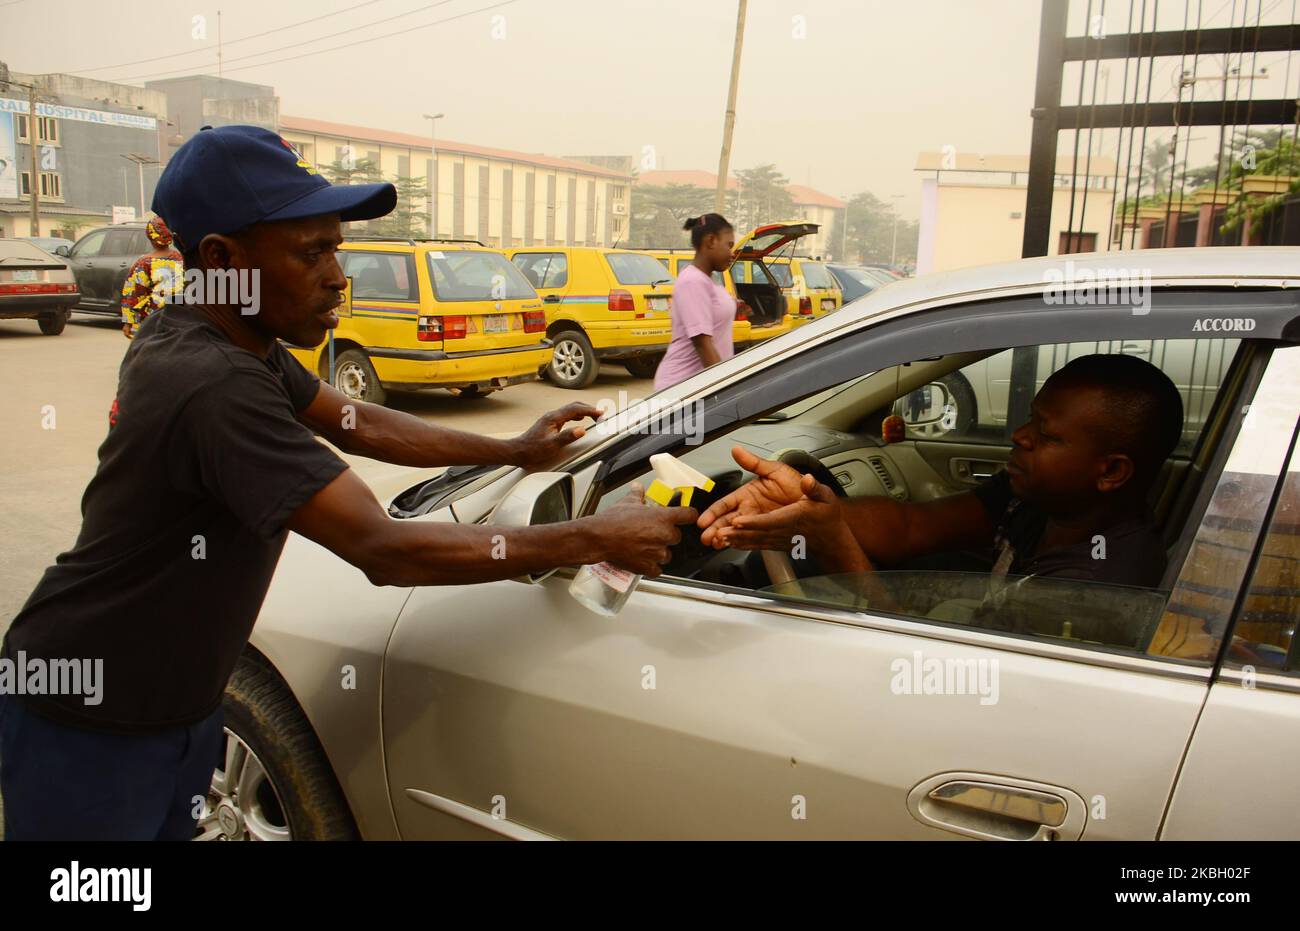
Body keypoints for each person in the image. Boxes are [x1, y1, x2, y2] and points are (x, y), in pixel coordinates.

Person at [0, 125, 696, 841]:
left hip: (173, 705)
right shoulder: (213, 382)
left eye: (336, 247)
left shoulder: (230, 334)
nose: (338, 275)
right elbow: (380, 547)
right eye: (313, 252)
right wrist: (590, 538)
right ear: (221, 258)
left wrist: (512, 449)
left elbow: (359, 422)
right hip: (90, 719)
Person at [698, 354, 1184, 595]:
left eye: (1046, 434)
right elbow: (911, 527)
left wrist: (830, 538)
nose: (1019, 436)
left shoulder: (1096, 586)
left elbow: (916, 661)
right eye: (1030, 419)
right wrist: (804, 505)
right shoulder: (1037, 500)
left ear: (1111, 471)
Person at [653, 213, 737, 391]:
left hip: (697, 388)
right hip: (682, 389)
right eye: (729, 245)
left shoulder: (707, 280)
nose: (732, 253)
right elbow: (702, 343)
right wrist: (726, 390)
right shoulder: (692, 281)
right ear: (711, 241)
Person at [120, 215, 183, 338]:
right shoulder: (180, 259)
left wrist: (128, 322)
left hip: (152, 322)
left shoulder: (144, 263)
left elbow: (133, 293)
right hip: (178, 319)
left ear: (150, 237)